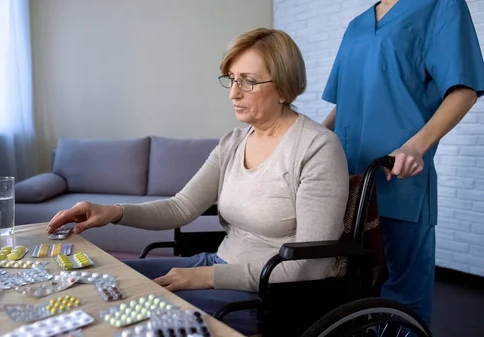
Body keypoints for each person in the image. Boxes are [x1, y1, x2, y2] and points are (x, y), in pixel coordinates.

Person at [47, 28, 350, 335]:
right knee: (107, 278)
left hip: (272, 295)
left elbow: (311, 266)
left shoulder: (317, 148)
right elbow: (182, 206)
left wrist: (208, 278)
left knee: (133, 308)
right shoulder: (233, 142)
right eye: (231, 78)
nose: (233, 92)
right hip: (217, 264)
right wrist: (113, 212)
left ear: (285, 89)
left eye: (248, 80)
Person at [321, 0, 484, 327]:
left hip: (399, 178)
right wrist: (308, 142)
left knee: (402, 301)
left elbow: (464, 90)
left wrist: (416, 146)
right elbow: (344, 104)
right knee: (346, 292)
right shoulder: (357, 25)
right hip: (346, 182)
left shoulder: (441, 6)